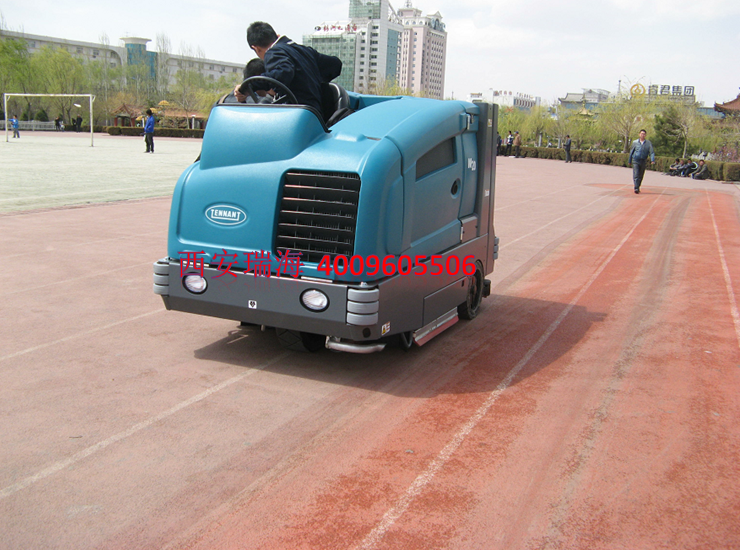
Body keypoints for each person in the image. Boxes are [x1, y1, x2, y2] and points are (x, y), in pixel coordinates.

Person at [234, 22, 341, 114]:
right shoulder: (305, 51)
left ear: (256, 48)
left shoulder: (273, 52)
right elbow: (335, 65)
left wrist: (249, 86)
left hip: (295, 115)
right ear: (276, 36)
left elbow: (283, 72)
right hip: (315, 114)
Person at [628, 129, 655, 194]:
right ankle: (636, 188)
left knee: (641, 175)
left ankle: (638, 186)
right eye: (641, 134)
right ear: (639, 134)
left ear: (645, 135)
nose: (642, 135)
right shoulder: (635, 142)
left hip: (643, 160)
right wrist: (629, 161)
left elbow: (651, 152)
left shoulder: (648, 143)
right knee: (636, 174)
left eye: (644, 134)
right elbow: (631, 152)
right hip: (636, 160)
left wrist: (652, 160)